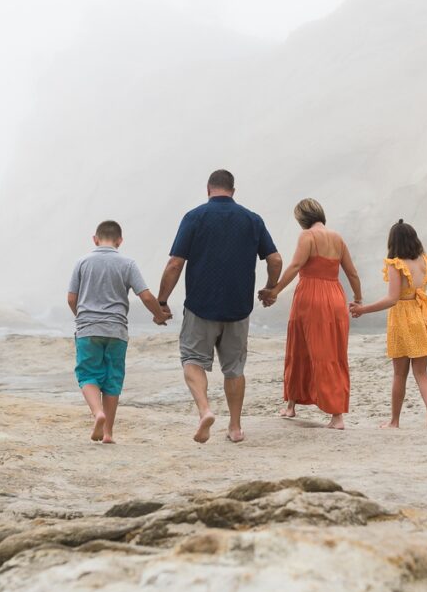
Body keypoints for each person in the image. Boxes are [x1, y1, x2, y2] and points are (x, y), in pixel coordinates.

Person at [157, 170, 282, 443]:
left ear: (208, 189)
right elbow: (275, 259)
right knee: (234, 369)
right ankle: (235, 427)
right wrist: (270, 288)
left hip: (200, 306)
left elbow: (175, 264)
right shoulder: (252, 219)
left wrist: (162, 301)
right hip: (238, 307)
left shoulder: (194, 217)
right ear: (233, 191)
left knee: (192, 360)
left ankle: (205, 411)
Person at [350, 220, 427, 428]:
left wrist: (363, 309)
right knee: (421, 372)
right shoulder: (425, 262)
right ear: (414, 239)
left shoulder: (396, 264)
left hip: (402, 320)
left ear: (393, 242)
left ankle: (394, 421)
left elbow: (392, 299)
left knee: (399, 374)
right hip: (423, 316)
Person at [260, 198, 362, 429]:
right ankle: (335, 415)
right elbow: (352, 273)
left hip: (309, 297)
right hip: (335, 297)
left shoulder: (307, 236)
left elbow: (295, 266)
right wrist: (358, 299)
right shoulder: (338, 238)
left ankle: (293, 406)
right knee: (332, 353)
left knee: (298, 348)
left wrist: (274, 291)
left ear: (302, 218)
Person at [67, 220, 171, 443]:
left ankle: (98, 413)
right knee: (113, 380)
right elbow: (145, 296)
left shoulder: (82, 262)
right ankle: (108, 433)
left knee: (87, 374)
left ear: (95, 239)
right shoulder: (128, 264)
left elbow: (71, 298)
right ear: (120, 241)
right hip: (116, 330)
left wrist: (82, 318)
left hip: (88, 328)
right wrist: (159, 315)